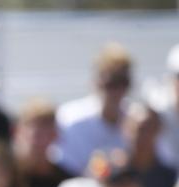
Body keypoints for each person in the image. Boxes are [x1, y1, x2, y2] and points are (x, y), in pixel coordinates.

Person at [54, 43, 133, 176]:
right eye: (110, 84)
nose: (117, 91)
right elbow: (62, 169)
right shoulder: (70, 119)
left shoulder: (137, 119)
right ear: (95, 82)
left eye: (123, 83)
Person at [12, 99, 72, 187]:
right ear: (17, 131)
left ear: (55, 135)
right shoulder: (6, 176)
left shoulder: (65, 181)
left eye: (45, 127)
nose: (36, 133)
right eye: (31, 125)